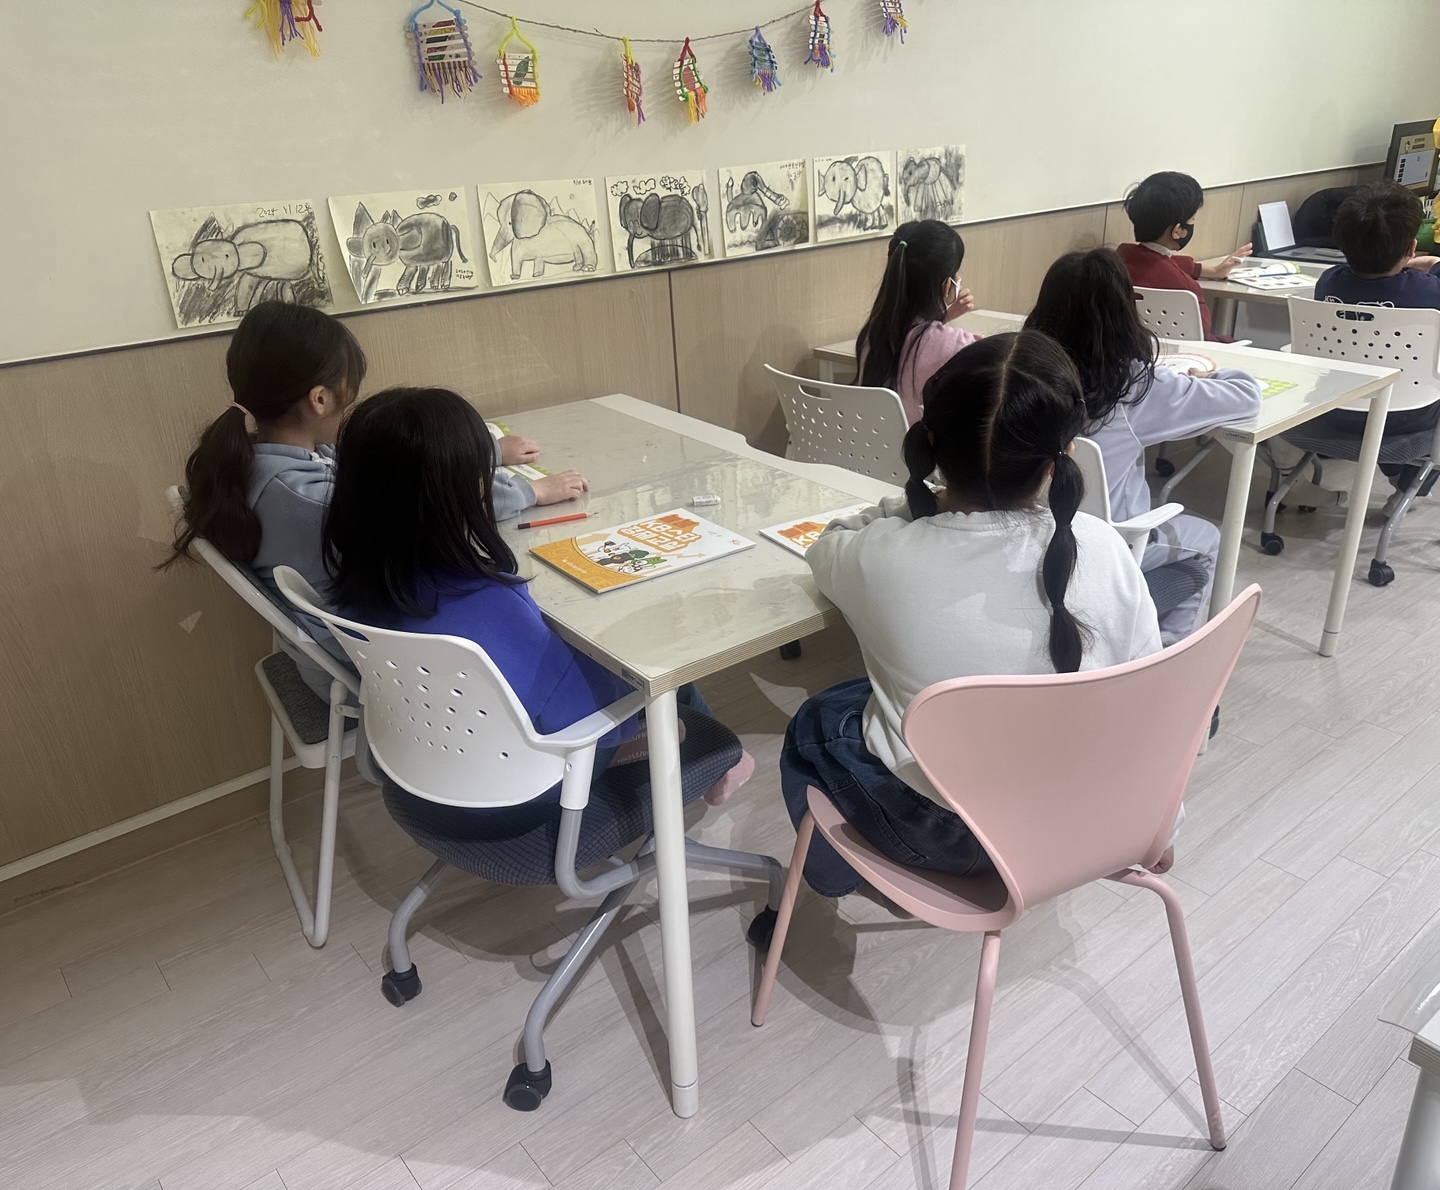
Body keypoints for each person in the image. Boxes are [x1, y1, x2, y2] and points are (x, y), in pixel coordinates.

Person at [780, 332, 1165, 900]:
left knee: (819, 718)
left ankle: (837, 877)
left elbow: (826, 545)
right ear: (1061, 459)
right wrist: (1161, 821)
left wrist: (912, 504)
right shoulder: (1104, 544)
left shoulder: (881, 556)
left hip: (951, 838)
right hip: (1084, 818)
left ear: (931, 444)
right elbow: (1153, 696)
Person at [323, 387, 751, 832]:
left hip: (423, 767)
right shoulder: (490, 603)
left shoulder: (356, 584)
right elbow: (592, 715)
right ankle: (719, 760)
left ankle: (714, 759)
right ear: (464, 492)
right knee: (655, 662)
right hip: (529, 789)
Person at [162, 302, 587, 698]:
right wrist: (531, 491)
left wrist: (484, 450)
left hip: (346, 642)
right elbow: (433, 501)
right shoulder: (315, 504)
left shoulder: (255, 460)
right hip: (378, 670)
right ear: (320, 399)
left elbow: (387, 464)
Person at [1027, 249, 1262, 643]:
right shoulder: (1134, 388)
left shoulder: (1022, 371)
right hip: (1106, 543)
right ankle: (1164, 648)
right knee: (1207, 540)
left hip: (1025, 532)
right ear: (1123, 312)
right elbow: (1246, 397)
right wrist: (1213, 375)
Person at [1292, 182, 1440, 515]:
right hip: (1406, 419)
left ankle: (1403, 480)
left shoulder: (1328, 281)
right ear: (1412, 247)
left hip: (1331, 410)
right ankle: (1409, 485)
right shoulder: (1429, 291)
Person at [854, 219, 978, 425]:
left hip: (872, 443)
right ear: (947, 286)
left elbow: (913, 334)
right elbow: (1002, 361)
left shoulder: (873, 334)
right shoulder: (957, 345)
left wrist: (943, 317)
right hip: (921, 446)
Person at [1115, 171, 1251, 341]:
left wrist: (1214, 271)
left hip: (1137, 348)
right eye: (1192, 220)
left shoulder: (1120, 259)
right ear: (1177, 231)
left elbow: (1160, 263)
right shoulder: (1185, 287)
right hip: (1192, 353)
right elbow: (1203, 335)